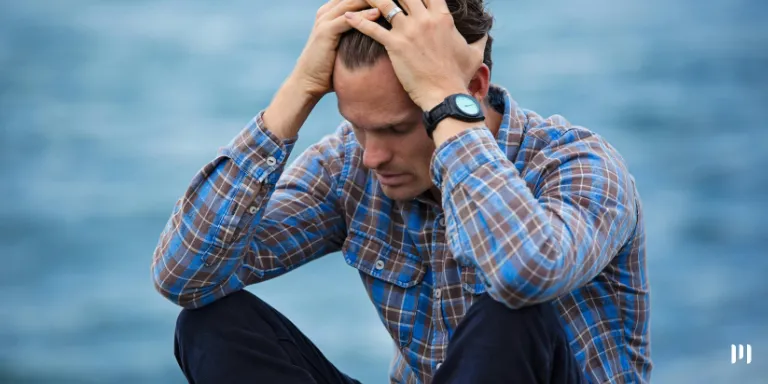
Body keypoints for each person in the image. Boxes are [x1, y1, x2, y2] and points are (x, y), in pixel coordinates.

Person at [151, 0, 652, 382]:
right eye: (357, 127)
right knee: (208, 323)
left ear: (471, 89)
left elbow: (524, 273)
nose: (371, 155)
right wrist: (298, 91)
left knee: (510, 315)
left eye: (394, 129)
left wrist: (444, 103)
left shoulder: (578, 165)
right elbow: (184, 276)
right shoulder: (350, 165)